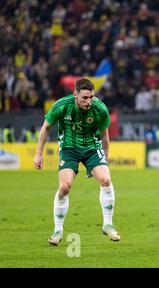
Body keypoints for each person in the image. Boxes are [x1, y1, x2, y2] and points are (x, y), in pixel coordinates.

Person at [34, 78, 120, 245]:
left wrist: (105, 158)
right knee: (64, 187)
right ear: (75, 94)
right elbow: (46, 127)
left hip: (92, 148)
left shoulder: (100, 109)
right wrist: (38, 154)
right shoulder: (61, 106)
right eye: (85, 98)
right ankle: (58, 230)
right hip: (69, 149)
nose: (89, 101)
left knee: (106, 179)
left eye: (91, 97)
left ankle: (108, 224)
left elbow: (104, 136)